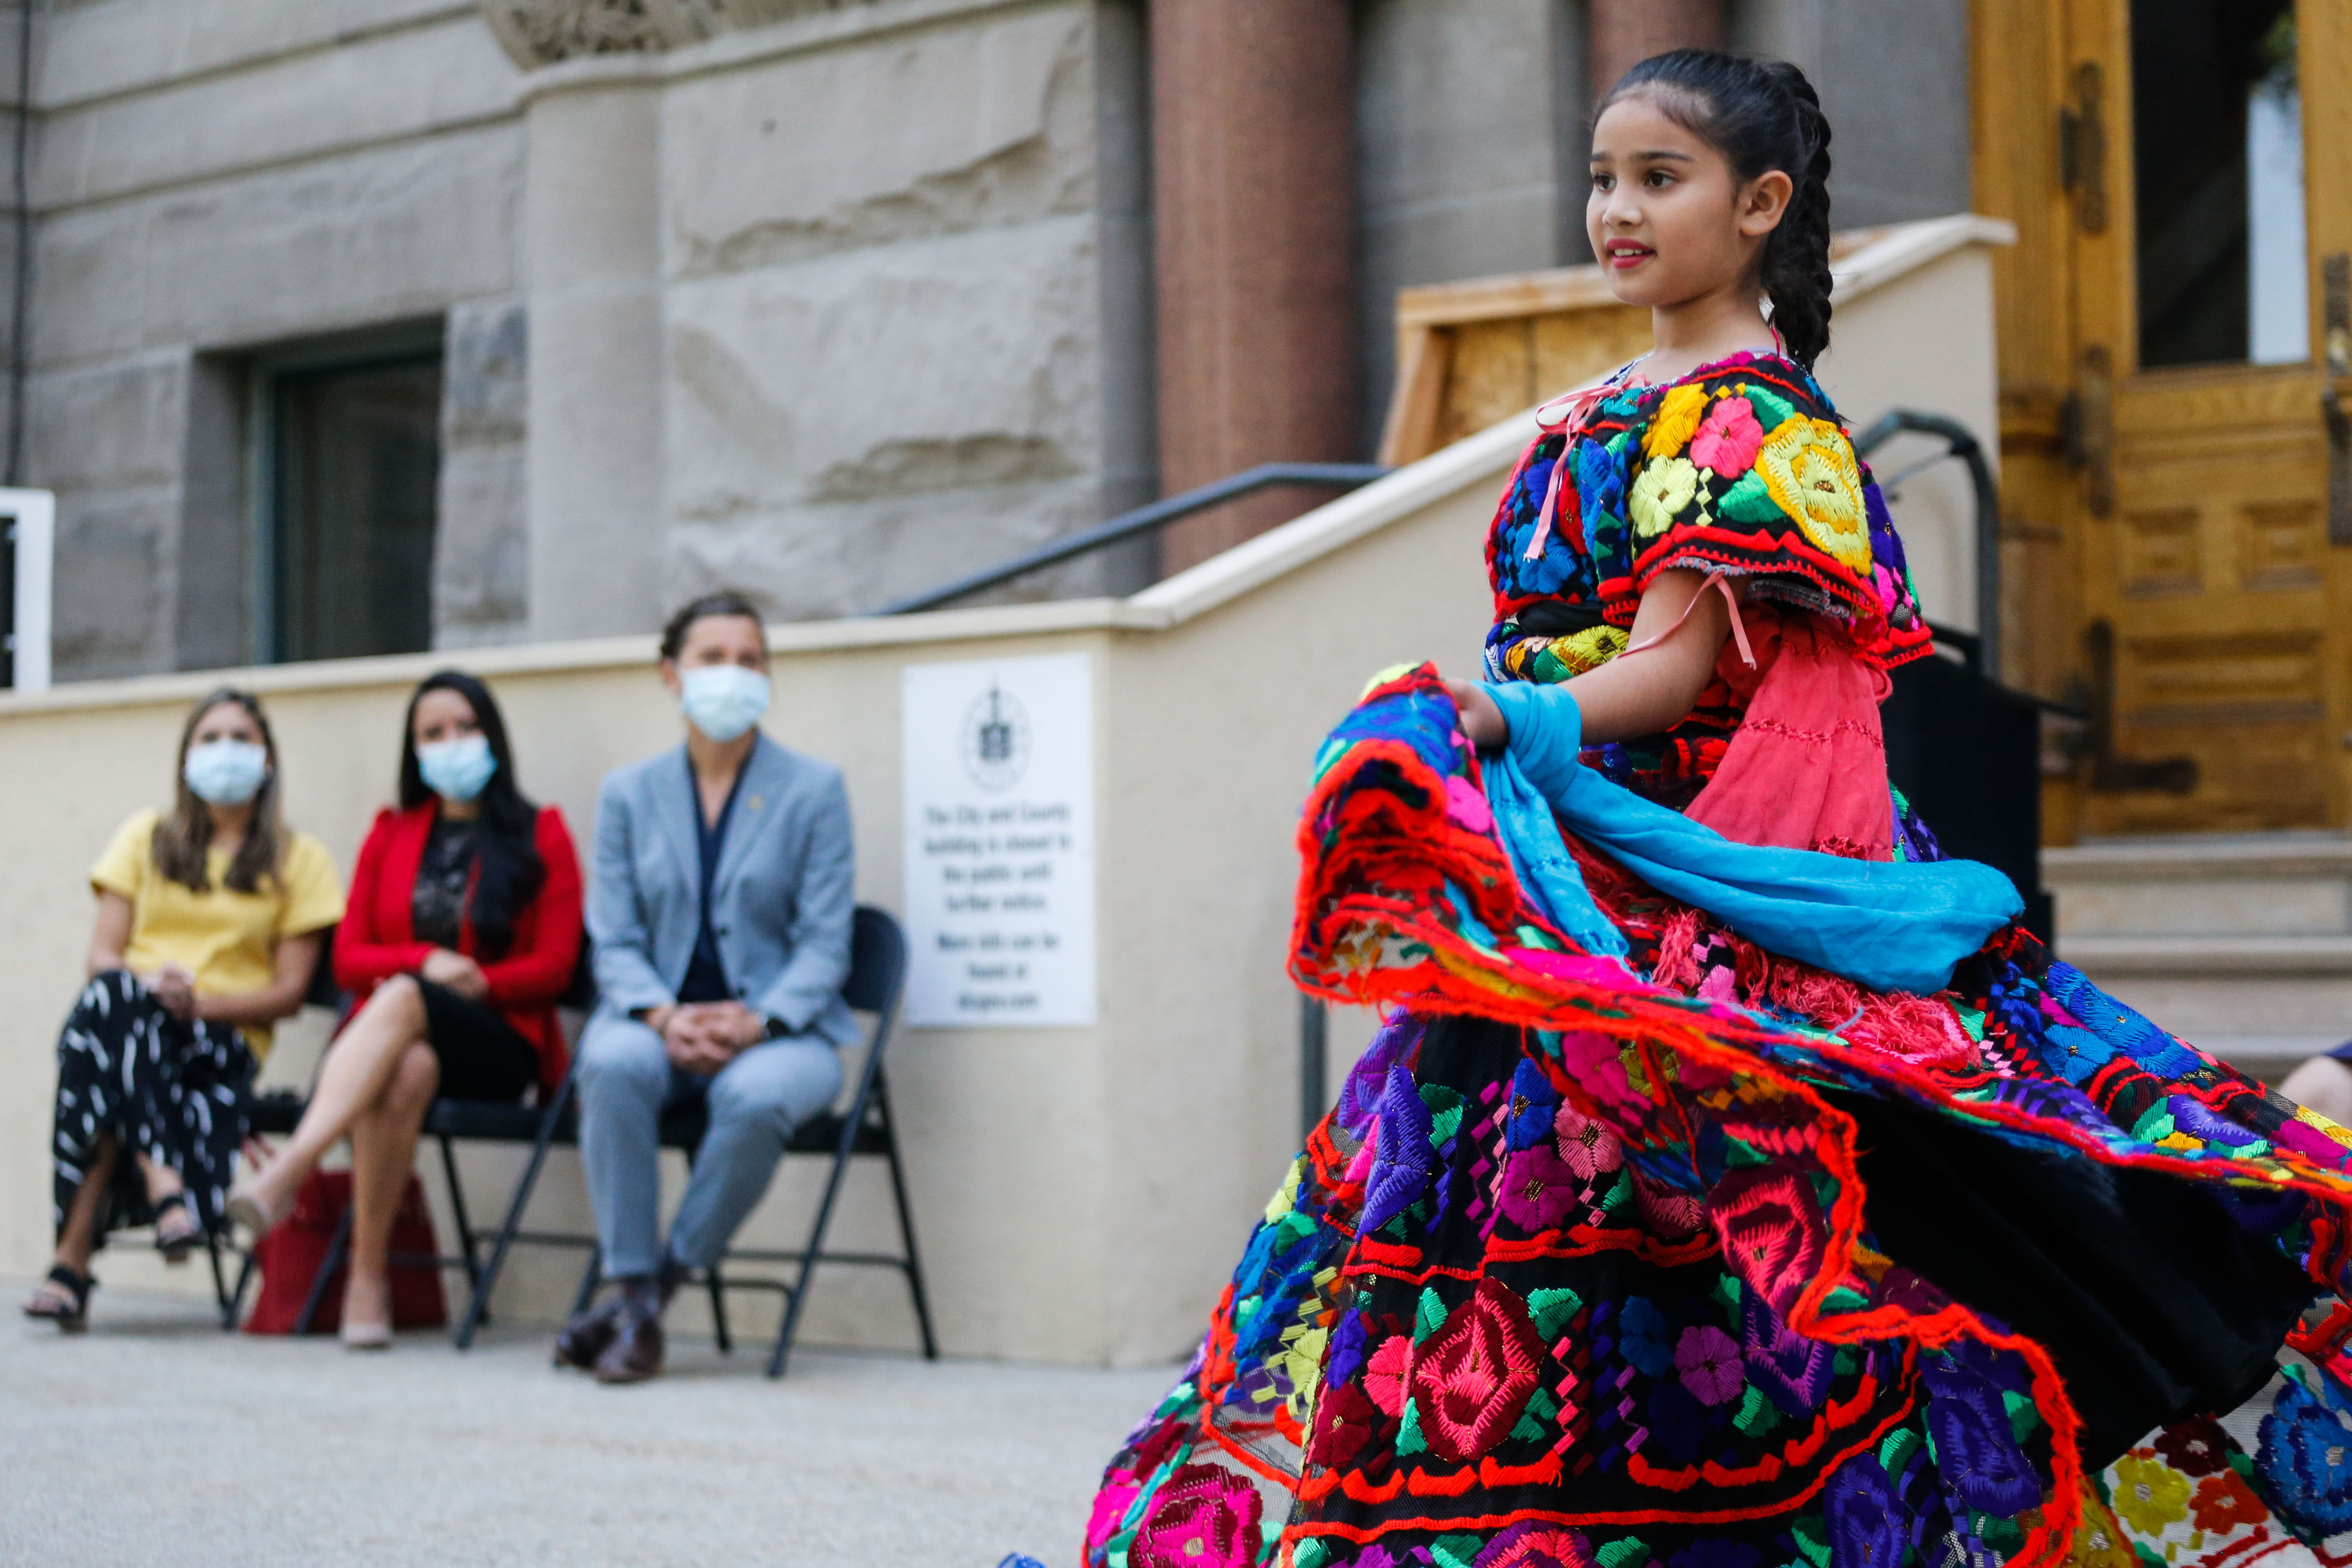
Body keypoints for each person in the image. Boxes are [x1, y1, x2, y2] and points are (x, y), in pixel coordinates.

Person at [1087, 51, 2352, 1568]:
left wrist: (1510, 715)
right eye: (1604, 176)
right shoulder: (1618, 402)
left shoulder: (1757, 426)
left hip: (1695, 905)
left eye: (1657, 179)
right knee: (1540, 1283)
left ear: (1760, 206)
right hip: (1567, 902)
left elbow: (1676, 667)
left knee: (1756, 1268)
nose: (1615, 209)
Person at [225, 671, 583, 1348]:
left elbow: (557, 967)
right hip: (401, 1043)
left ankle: (292, 1168)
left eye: (465, 728)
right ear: (413, 749)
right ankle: (367, 1281)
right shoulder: (392, 832)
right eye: (433, 733)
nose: (452, 743)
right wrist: (423, 960)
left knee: (404, 997)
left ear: (494, 738)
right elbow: (350, 957)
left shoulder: (543, 832)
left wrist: (469, 981)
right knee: (408, 1063)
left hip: (499, 1046)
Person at [554, 590, 855, 1385]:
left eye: (750, 659)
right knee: (609, 1062)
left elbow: (827, 943)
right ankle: (631, 1287)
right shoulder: (628, 792)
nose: (733, 673)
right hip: (653, 1019)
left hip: (785, 1032)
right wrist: (661, 1014)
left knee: (754, 1098)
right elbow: (611, 937)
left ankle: (646, 1300)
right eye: (712, 658)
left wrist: (758, 1021)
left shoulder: (814, 789)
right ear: (670, 673)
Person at [24, 689, 343, 1331]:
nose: (225, 752)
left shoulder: (299, 858)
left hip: (222, 1040)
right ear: (184, 758)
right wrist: (153, 991)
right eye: (210, 738)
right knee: (116, 1007)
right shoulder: (145, 837)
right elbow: (103, 956)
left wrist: (198, 1006)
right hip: (131, 1014)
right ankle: (162, 1177)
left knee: (100, 1055)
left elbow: (287, 992)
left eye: (242, 739)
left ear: (269, 759)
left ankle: (71, 1260)